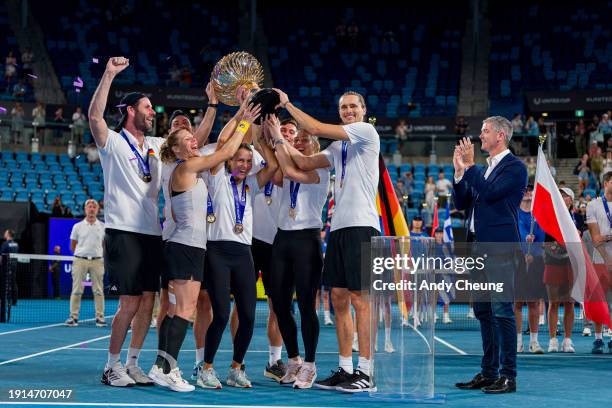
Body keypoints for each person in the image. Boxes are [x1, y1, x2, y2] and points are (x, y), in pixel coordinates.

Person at [148, 102, 260, 392]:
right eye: (187, 139)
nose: (193, 139)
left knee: (175, 311)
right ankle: (168, 369)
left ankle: (161, 366)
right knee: (183, 312)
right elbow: (224, 152)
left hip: (186, 246)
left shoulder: (187, 168)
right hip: (186, 248)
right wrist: (244, 123)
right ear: (176, 150)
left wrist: (236, 117)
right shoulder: (187, 166)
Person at [273, 89, 380, 393]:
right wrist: (276, 137)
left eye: (352, 107)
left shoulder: (366, 132)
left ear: (362, 110)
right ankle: (346, 368)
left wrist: (287, 105)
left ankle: (366, 370)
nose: (348, 111)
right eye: (343, 107)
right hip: (340, 228)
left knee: (361, 300)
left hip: (362, 225)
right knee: (339, 298)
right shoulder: (338, 148)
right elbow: (304, 164)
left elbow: (316, 129)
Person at [89, 56, 165, 387]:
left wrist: (213, 105)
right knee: (130, 302)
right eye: (147, 107)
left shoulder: (155, 146)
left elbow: (197, 141)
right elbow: (94, 117)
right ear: (131, 110)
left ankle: (133, 362)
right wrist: (108, 74)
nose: (152, 113)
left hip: (151, 233)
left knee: (148, 301)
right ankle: (111, 365)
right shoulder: (113, 143)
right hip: (123, 232)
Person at [453, 116, 527, 394]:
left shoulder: (515, 168)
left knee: (502, 311)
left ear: (500, 136)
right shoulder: (484, 168)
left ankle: (508, 375)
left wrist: (470, 167)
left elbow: (492, 193)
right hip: (477, 247)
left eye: (484, 131)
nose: (479, 136)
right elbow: (461, 202)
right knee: (483, 310)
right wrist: (459, 173)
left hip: (500, 248)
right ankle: (488, 372)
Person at [199, 129, 278, 389]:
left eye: (247, 161)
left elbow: (274, 165)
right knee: (221, 314)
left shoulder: (251, 184)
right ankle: (206, 368)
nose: (243, 165)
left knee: (248, 316)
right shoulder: (216, 177)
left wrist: (263, 137)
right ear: (230, 161)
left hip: (244, 253)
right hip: (218, 252)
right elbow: (222, 144)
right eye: (239, 160)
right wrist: (244, 119)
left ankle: (235, 369)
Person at [265, 117, 330, 389]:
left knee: (306, 305)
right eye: (297, 138)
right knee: (279, 304)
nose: (300, 141)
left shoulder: (322, 168)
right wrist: (266, 130)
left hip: (307, 240)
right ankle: (293, 360)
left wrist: (277, 138)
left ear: (314, 143)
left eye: (305, 138)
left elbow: (292, 173)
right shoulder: (287, 164)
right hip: (282, 239)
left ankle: (311, 365)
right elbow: (277, 169)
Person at [248, 117, 299, 384]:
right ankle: (239, 361)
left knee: (278, 306)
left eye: (292, 132)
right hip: (251, 239)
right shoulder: (258, 156)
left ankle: (273, 360)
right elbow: (255, 136)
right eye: (285, 130)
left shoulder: (297, 161)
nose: (288, 134)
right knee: (241, 305)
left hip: (279, 243)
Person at [542, 187, 577, 353]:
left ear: (571, 200)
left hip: (572, 265)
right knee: (553, 303)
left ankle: (567, 341)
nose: (563, 198)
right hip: (553, 263)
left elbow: (580, 239)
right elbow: (546, 243)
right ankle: (553, 340)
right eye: (560, 195)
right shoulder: (550, 218)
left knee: (570, 303)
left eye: (566, 196)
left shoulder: (577, 217)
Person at [65, 199, 106, 327]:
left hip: (97, 261)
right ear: (85, 209)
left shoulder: (103, 227)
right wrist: (81, 255)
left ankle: (100, 317)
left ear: (98, 210)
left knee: (98, 290)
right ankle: (73, 317)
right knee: (77, 289)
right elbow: (73, 245)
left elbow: (104, 245)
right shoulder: (77, 226)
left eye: (94, 207)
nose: (92, 209)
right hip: (80, 261)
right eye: (89, 206)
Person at [515, 185, 545, 354]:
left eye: (530, 190)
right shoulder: (514, 212)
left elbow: (541, 237)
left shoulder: (538, 215)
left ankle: (534, 342)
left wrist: (533, 253)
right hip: (517, 261)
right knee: (517, 302)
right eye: (525, 189)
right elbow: (514, 234)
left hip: (535, 261)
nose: (527, 192)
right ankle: (518, 342)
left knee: (533, 302)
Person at [585, 172, 612, 353]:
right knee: (599, 301)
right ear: (606, 183)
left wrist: (606, 237)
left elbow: (602, 237)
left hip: (606, 260)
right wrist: (608, 259)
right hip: (599, 260)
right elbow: (595, 239)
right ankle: (598, 339)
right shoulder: (593, 205)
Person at [1, 229, 19, 306]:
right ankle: (14, 301)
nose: (4, 233)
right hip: (14, 265)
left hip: (6, 265)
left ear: (8, 234)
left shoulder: (5, 244)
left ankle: (6, 300)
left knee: (6, 282)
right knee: (13, 282)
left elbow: (1, 256)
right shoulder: (16, 244)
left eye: (5, 232)